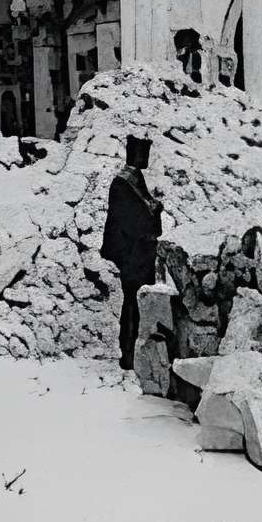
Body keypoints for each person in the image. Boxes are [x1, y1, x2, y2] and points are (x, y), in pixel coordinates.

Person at [103, 135, 163, 364]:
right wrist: (152, 214)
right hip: (131, 254)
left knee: (135, 302)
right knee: (132, 302)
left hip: (138, 253)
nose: (145, 158)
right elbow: (130, 219)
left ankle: (132, 351)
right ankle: (128, 353)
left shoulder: (135, 179)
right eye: (142, 154)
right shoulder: (123, 182)